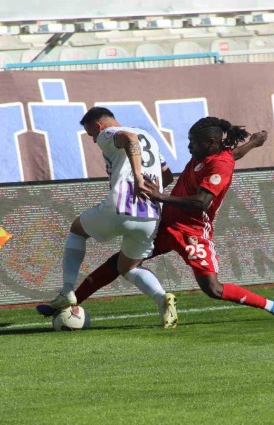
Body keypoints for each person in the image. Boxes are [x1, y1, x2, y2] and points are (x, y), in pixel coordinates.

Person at [42, 116, 274, 323]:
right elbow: (232, 154)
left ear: (210, 143)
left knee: (213, 289)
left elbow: (202, 202)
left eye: (194, 143)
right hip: (166, 224)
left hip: (191, 232)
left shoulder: (220, 166)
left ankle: (272, 305)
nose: (189, 147)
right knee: (118, 263)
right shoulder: (208, 155)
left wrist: (160, 196)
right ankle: (70, 303)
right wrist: (252, 144)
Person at [46, 106, 178, 328]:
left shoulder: (108, 133)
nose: (94, 139)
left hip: (122, 204)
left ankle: (67, 291)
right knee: (128, 267)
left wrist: (137, 177)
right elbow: (167, 175)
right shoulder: (150, 138)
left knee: (77, 230)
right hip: (150, 214)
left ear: (98, 126)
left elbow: (129, 138)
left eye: (91, 134)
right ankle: (162, 298)